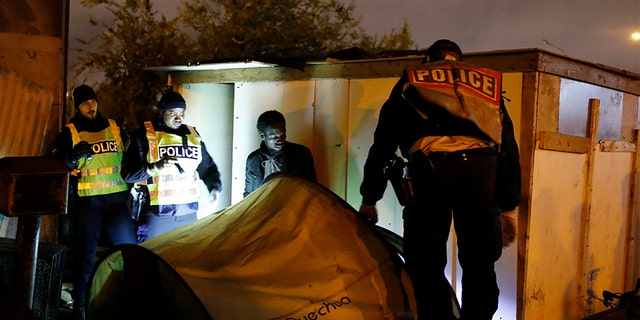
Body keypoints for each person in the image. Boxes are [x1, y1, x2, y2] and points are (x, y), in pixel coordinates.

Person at [358, 39, 521, 320]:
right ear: (460, 60)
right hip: (482, 172)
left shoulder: (412, 80)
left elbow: (383, 144)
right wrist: (508, 206)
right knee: (480, 262)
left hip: (431, 172)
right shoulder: (485, 85)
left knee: (426, 263)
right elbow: (507, 146)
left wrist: (370, 198)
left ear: (427, 60)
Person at [49, 84, 136, 319]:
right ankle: (81, 305)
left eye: (93, 101)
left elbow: (130, 155)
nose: (91, 106)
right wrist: (71, 158)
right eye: (85, 103)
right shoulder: (70, 131)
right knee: (85, 256)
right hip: (89, 204)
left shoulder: (115, 127)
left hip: (117, 202)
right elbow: (55, 163)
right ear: (77, 107)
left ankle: (129, 300)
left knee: (129, 252)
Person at [122, 90, 222, 242]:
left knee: (185, 262)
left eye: (182, 113)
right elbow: (128, 174)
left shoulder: (193, 135)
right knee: (151, 260)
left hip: (188, 213)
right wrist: (154, 167)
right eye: (172, 112)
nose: (178, 117)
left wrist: (214, 188)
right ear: (162, 112)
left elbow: (207, 168)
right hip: (156, 214)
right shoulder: (145, 134)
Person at [243, 110, 317, 197]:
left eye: (283, 135)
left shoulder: (302, 154)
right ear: (262, 135)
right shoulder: (253, 160)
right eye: (274, 137)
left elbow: (313, 190)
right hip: (263, 209)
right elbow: (248, 195)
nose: (281, 140)